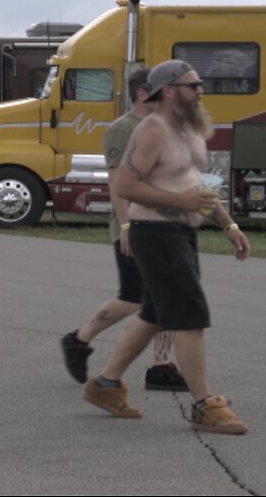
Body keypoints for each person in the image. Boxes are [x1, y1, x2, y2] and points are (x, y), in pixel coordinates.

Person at [81, 60, 251, 435]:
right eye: (194, 85)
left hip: (181, 234)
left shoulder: (188, 129)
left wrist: (229, 224)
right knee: (189, 314)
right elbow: (124, 186)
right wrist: (179, 203)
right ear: (170, 90)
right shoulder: (151, 131)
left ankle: (105, 385)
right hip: (155, 233)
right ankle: (204, 404)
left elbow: (197, 186)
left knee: (155, 314)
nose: (201, 90)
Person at [61, 68, 186, 390]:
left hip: (162, 226)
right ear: (143, 94)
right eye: (162, 91)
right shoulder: (122, 129)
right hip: (133, 227)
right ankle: (79, 340)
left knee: (165, 295)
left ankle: (161, 366)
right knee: (133, 298)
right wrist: (127, 225)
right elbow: (117, 183)